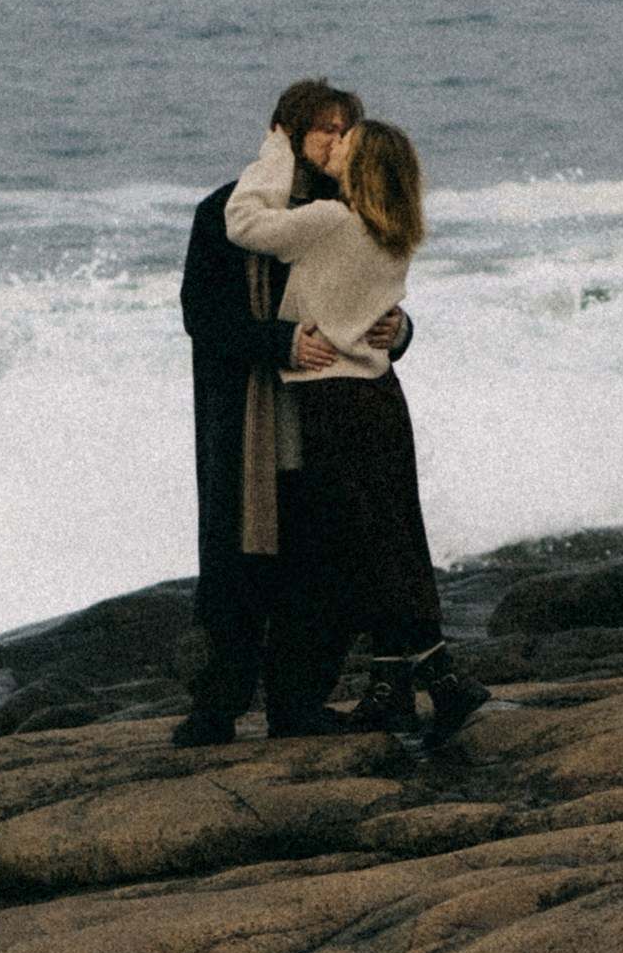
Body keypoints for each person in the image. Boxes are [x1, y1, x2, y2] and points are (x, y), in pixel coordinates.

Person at [223, 107, 487, 744]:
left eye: (348, 141)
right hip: (380, 395)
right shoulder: (395, 229)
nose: (337, 145)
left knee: (371, 546)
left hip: (333, 399)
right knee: (392, 536)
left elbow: (243, 222)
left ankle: (443, 676)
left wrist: (274, 157)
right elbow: (378, 311)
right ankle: (392, 686)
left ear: (363, 163)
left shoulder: (331, 221)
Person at [175, 77, 400, 742]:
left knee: (323, 567)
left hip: (330, 415)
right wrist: (281, 342)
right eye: (323, 128)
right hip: (248, 421)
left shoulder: (352, 211)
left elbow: (377, 294)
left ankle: (297, 703)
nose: (335, 141)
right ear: (290, 135)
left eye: (344, 129)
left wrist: (398, 328)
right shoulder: (225, 213)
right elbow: (201, 317)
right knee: (237, 570)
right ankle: (217, 706)